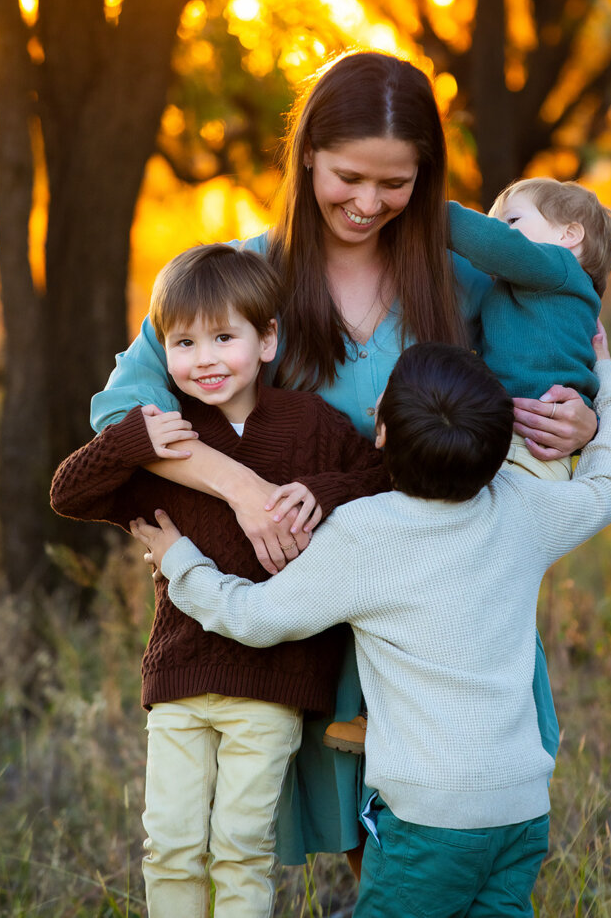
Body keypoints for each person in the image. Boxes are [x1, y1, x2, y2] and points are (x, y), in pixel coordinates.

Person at [89, 51, 599, 868]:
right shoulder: (239, 282)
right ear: (308, 159)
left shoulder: (467, 278)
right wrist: (242, 487)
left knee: (461, 841)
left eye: (394, 183)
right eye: (348, 176)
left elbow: (557, 358)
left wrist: (581, 416)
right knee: (360, 848)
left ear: (425, 179)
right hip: (310, 604)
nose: (368, 203)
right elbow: (120, 413)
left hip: (449, 616)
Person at [129, 326, 611, 918]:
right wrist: (609, 387)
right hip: (521, 812)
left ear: (382, 432)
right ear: (500, 446)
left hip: (429, 821)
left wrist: (181, 562)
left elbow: (254, 617)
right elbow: (605, 487)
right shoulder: (524, 508)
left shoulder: (365, 535)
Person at [51, 244, 390, 918]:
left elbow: (379, 479)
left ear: (266, 340)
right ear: (164, 349)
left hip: (273, 683)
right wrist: (132, 438)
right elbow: (69, 492)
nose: (204, 358)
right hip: (179, 677)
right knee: (171, 845)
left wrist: (320, 493)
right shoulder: (172, 441)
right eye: (183, 342)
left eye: (223, 337)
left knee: (240, 847)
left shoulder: (308, 425)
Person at [447, 177, 611, 481]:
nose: (502, 229)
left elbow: (498, 245)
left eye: (511, 220)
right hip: (516, 442)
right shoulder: (537, 297)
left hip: (529, 450)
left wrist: (437, 215)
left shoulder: (561, 266)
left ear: (569, 235)